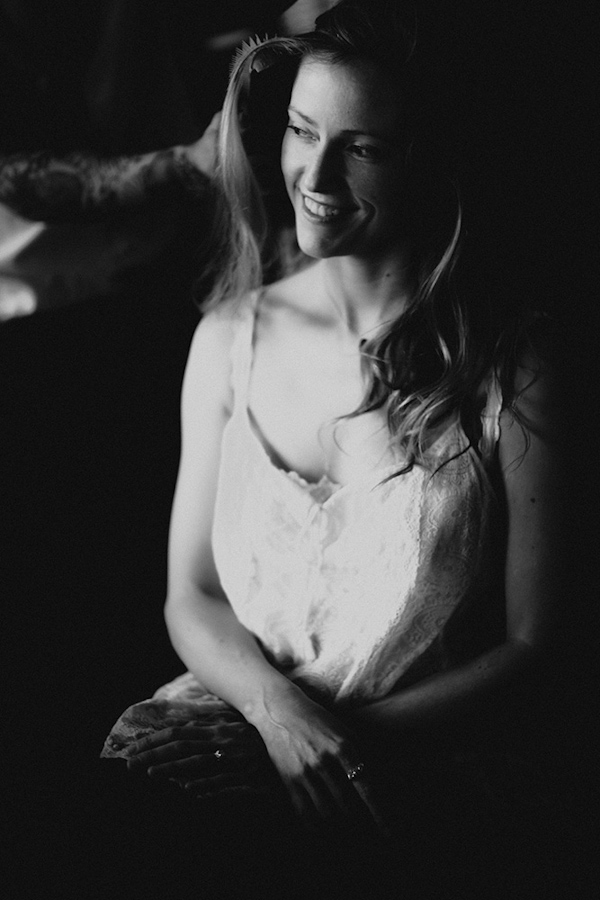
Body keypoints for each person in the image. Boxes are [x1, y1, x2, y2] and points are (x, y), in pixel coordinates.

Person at [99, 1, 576, 896]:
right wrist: (279, 721)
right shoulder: (229, 336)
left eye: (363, 148)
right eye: (301, 130)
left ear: (431, 160)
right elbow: (191, 594)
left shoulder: (516, 364)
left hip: (430, 783)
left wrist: (338, 750)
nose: (313, 174)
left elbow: (537, 648)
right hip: (243, 742)